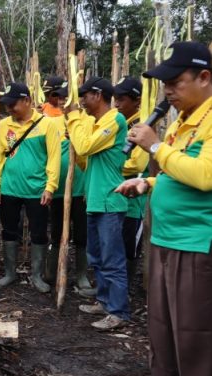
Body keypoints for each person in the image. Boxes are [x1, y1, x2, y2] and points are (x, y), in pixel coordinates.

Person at [117, 41, 212, 376]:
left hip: (196, 240)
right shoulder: (183, 118)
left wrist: (154, 146)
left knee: (194, 326)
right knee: (163, 319)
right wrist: (148, 181)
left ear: (205, 77)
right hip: (166, 236)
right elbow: (177, 171)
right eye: (165, 84)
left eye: (175, 82)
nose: (168, 92)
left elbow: (205, 176)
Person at [66, 77, 129, 330]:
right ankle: (104, 301)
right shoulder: (96, 123)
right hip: (94, 199)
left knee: (113, 259)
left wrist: (73, 120)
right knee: (97, 257)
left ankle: (119, 312)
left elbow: (84, 145)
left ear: (98, 95)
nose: (82, 101)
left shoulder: (115, 120)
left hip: (110, 201)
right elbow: (86, 157)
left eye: (85, 95)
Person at [0, 82, 60, 293]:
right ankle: (10, 273)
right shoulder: (4, 126)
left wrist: (50, 187)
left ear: (27, 101)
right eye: (7, 105)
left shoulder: (47, 125)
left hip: (36, 189)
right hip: (9, 188)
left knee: (39, 232)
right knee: (8, 230)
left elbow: (54, 158)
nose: (9, 109)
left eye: (13, 104)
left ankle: (37, 275)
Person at [42, 80, 93, 295]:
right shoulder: (51, 123)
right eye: (60, 98)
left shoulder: (87, 121)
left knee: (81, 234)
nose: (63, 101)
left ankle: (81, 275)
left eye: (67, 98)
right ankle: (52, 271)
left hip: (81, 188)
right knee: (56, 233)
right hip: (59, 189)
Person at [113, 77, 149, 289]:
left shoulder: (141, 126)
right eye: (115, 99)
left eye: (122, 99)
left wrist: (112, 166)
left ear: (137, 101)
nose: (117, 104)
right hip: (117, 198)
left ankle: (122, 294)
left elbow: (137, 164)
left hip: (134, 202)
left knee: (128, 249)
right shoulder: (122, 124)